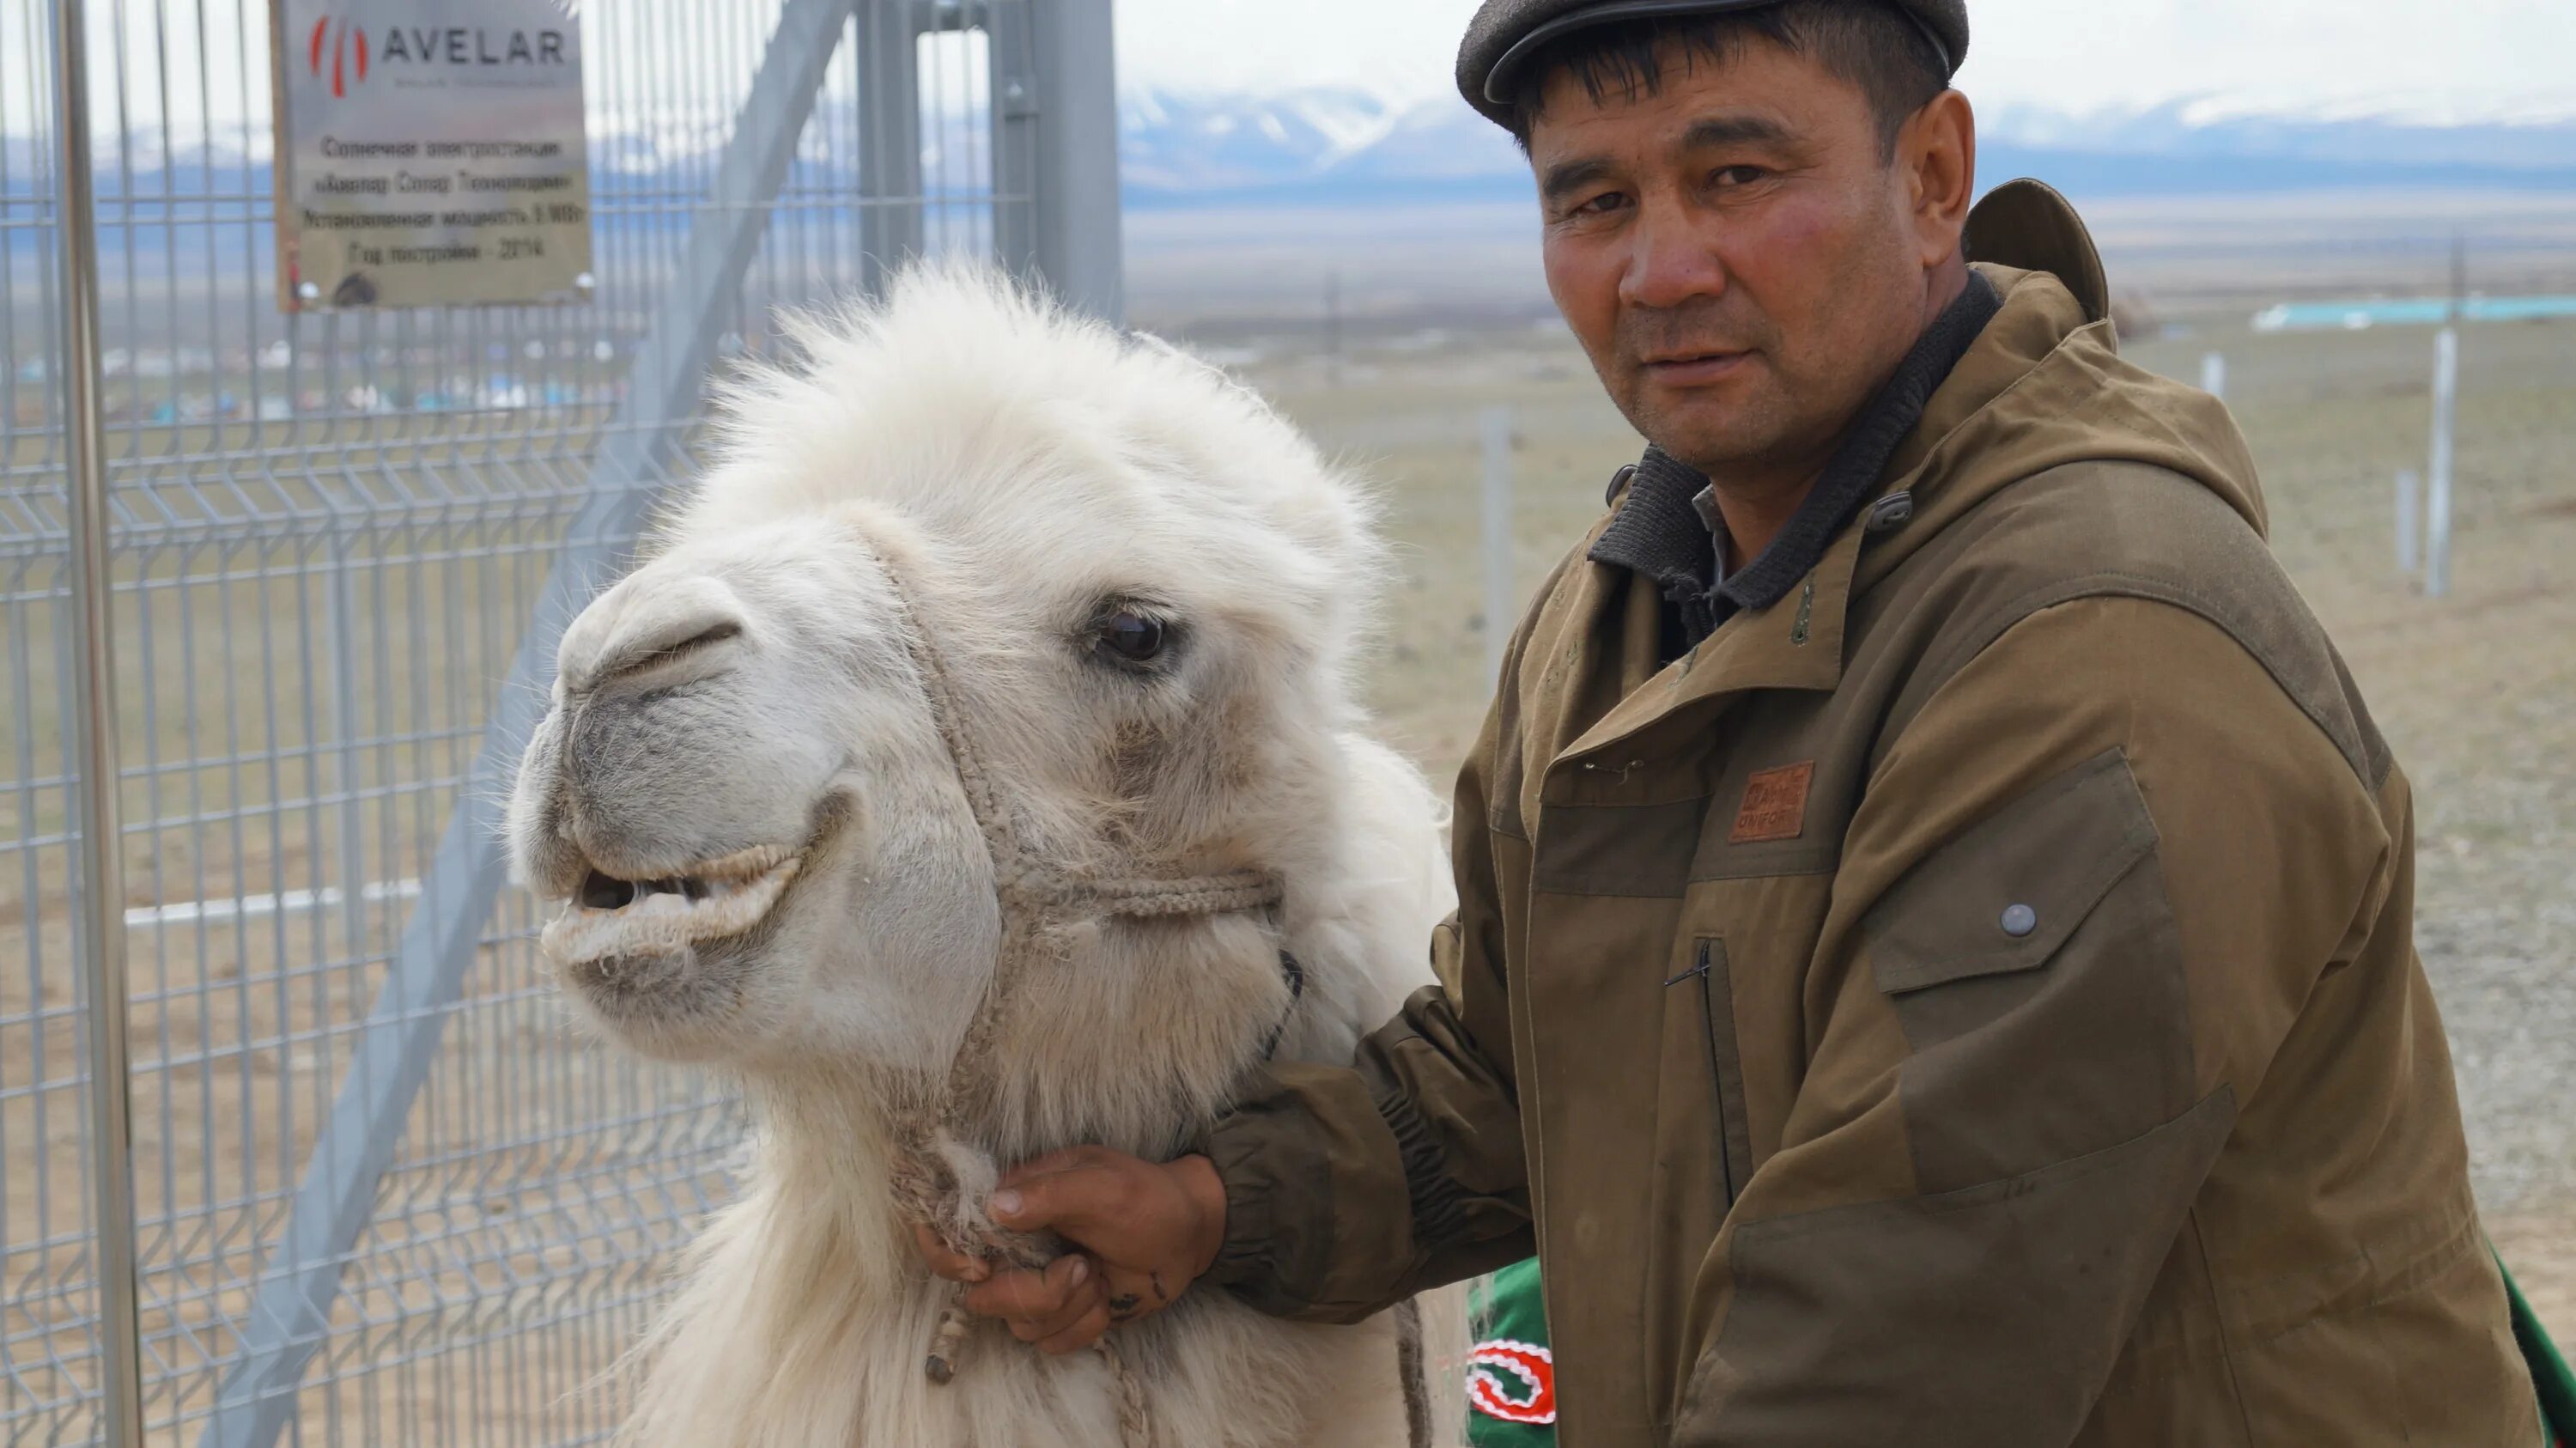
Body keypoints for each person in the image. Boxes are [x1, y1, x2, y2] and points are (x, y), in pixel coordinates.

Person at [917, 1, 2549, 1440]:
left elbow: (1900, 1339)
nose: (1662, 267)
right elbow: (1512, 1070)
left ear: (1931, 176)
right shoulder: (1638, 598)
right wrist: (1211, 1205)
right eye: (1595, 200)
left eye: (1739, 176)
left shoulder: (2097, 653)